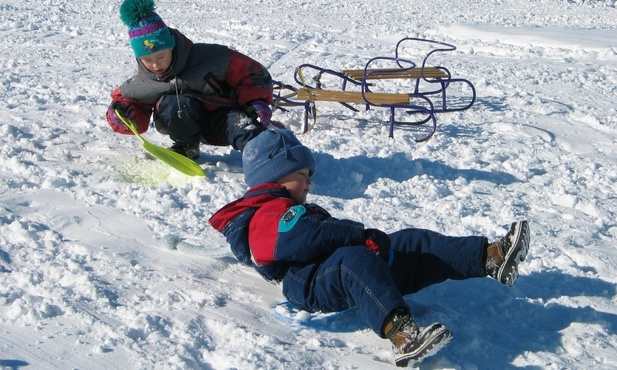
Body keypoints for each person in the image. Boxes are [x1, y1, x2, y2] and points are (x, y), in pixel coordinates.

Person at [208, 129, 531, 367]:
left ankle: (489, 258)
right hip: (308, 282)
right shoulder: (270, 212)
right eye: (302, 174)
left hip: (338, 268)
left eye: (309, 175)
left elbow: (314, 236)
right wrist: (358, 236)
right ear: (274, 176)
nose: (309, 182)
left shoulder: (278, 209)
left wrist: (365, 243)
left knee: (410, 242)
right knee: (355, 259)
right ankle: (402, 333)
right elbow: (302, 237)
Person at [105, 0, 273, 159]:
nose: (156, 65)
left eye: (161, 56)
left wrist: (256, 100)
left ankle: (267, 152)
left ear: (171, 46)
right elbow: (126, 102)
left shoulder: (209, 58)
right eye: (147, 60)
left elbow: (251, 71)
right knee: (175, 102)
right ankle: (187, 147)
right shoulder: (143, 83)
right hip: (183, 124)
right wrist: (122, 114)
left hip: (222, 114)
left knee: (242, 126)